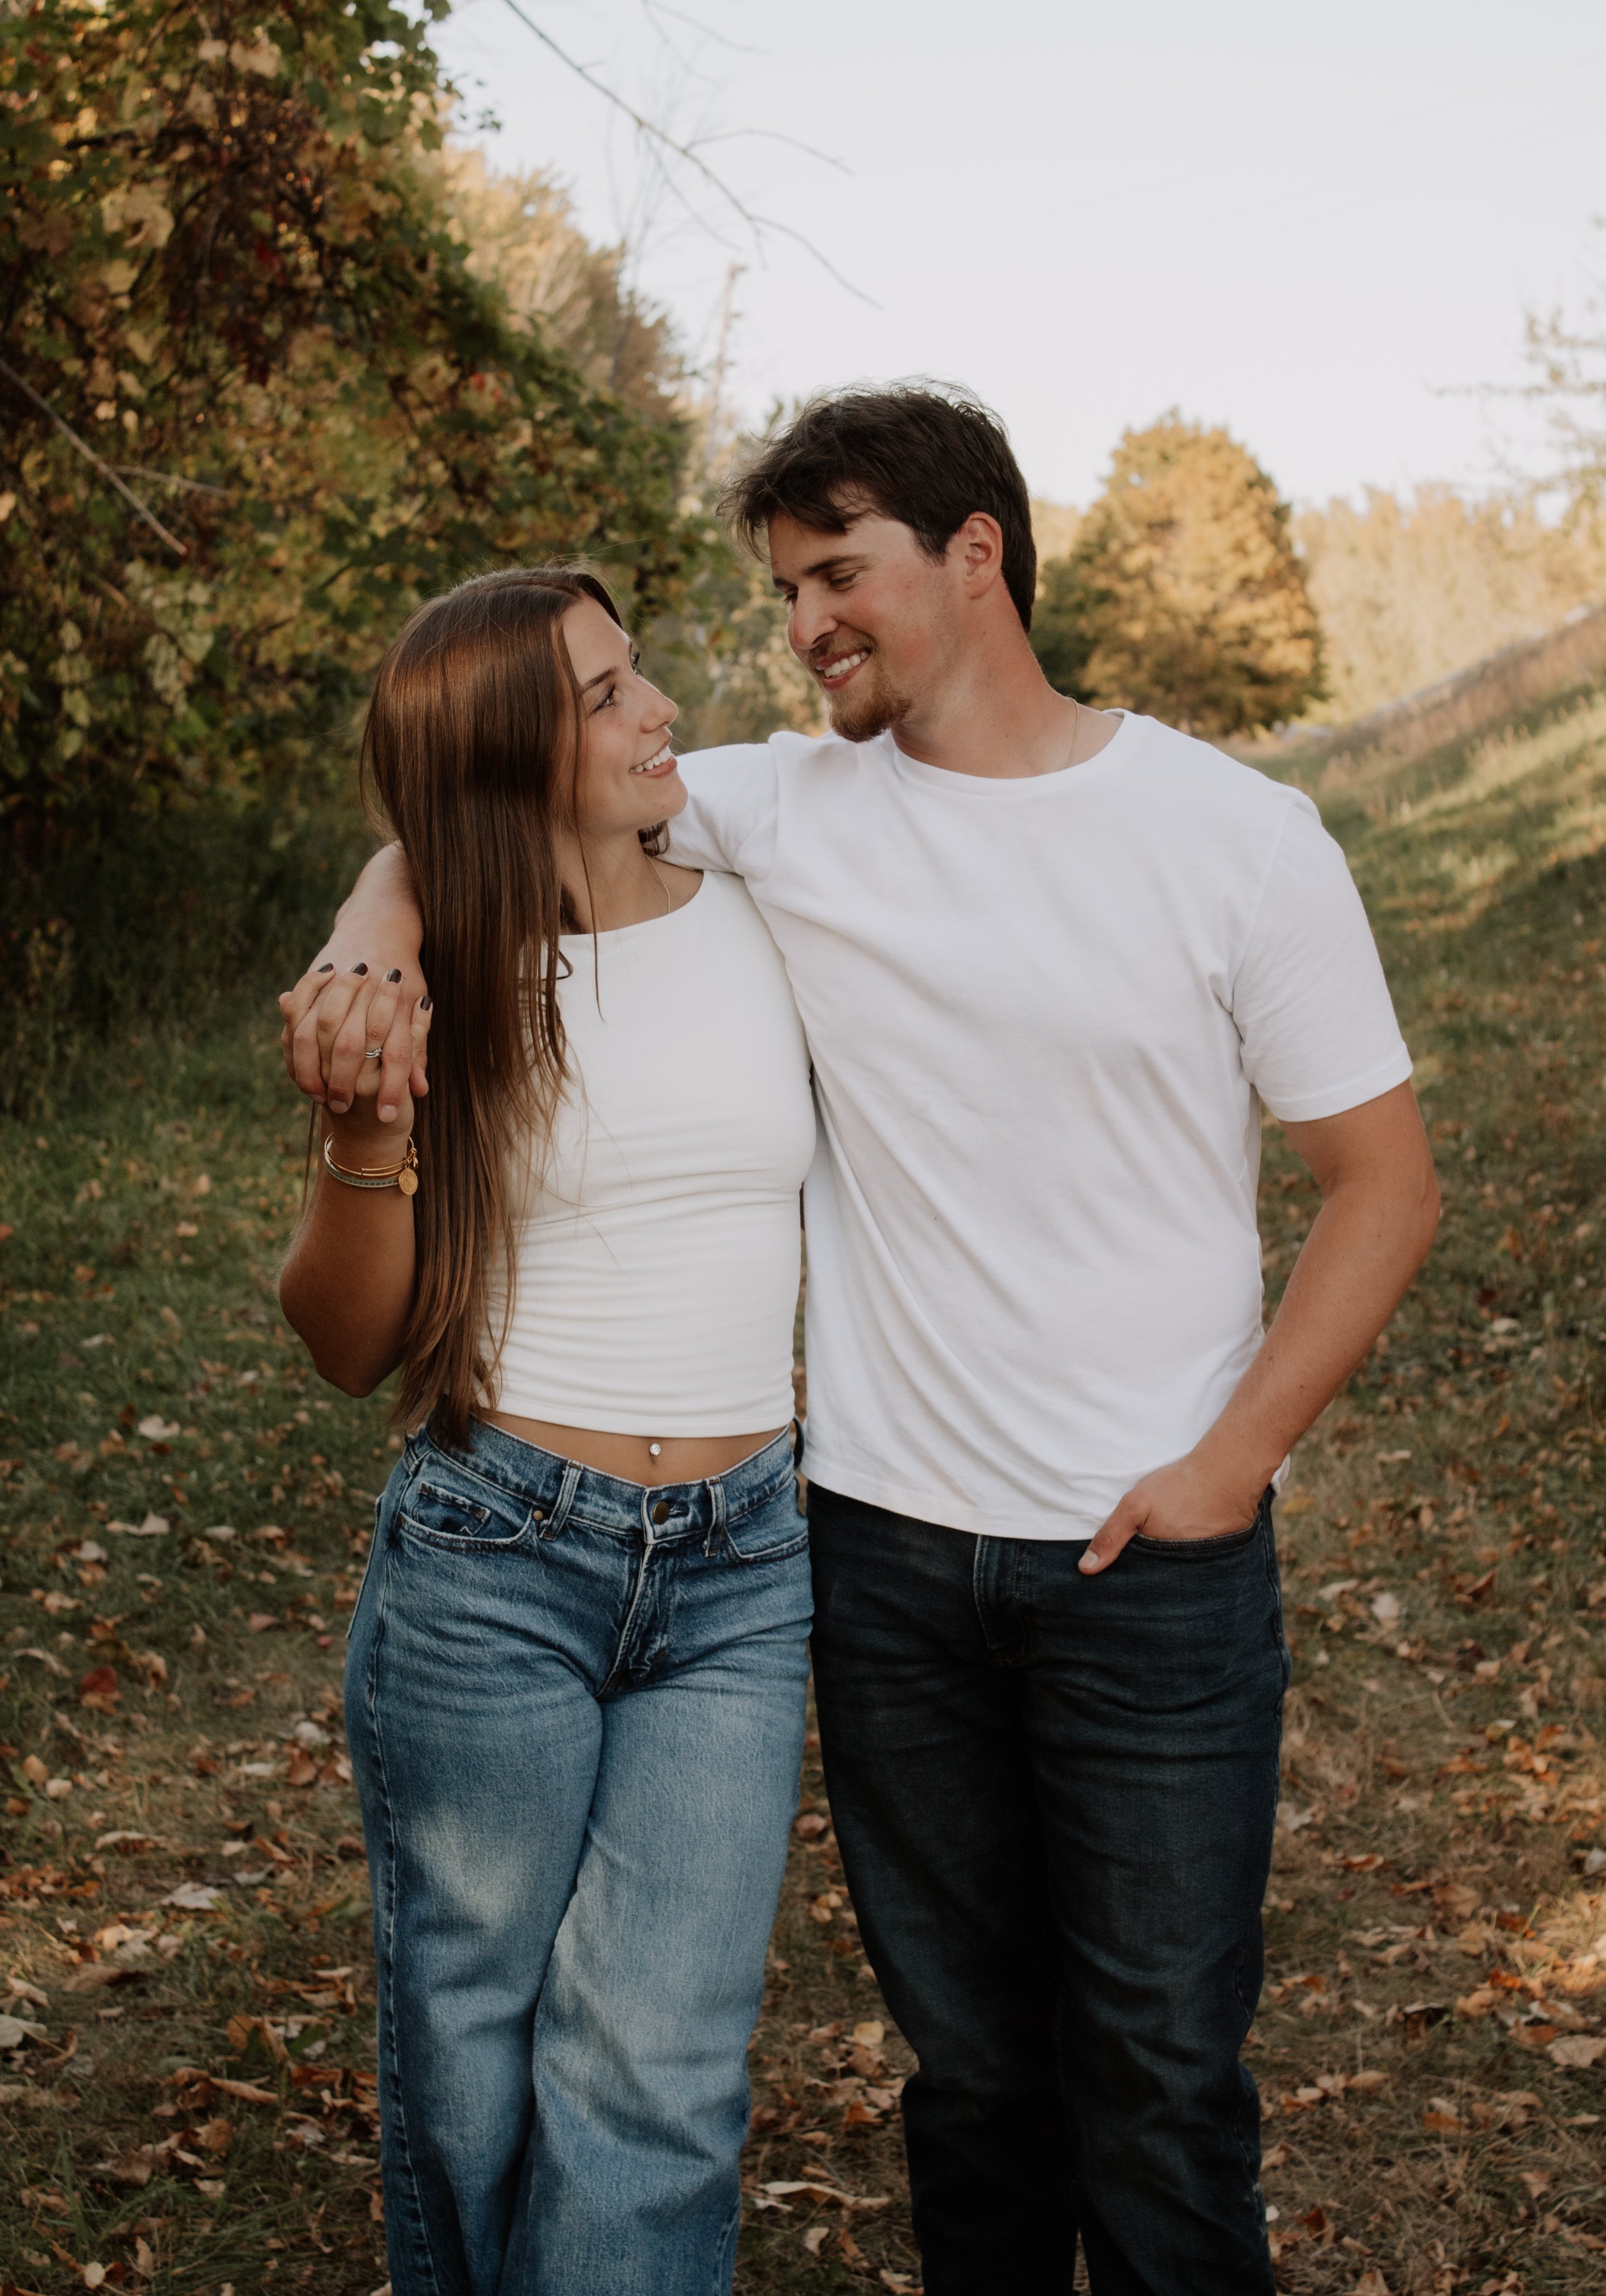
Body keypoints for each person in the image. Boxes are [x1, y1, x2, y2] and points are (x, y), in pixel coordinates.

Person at [284, 387, 1440, 2295]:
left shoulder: (1235, 837)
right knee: (970, 2080)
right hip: (872, 1549)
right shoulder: (771, 807)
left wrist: (1230, 1463)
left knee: (1151, 2075)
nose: (800, 624)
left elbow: (1379, 1183)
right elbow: (475, 789)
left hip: (1136, 1558)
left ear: (974, 555)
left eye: (839, 574)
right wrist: (373, 934)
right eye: (782, 587)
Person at [276, 565, 816, 2296]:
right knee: (468, 2056)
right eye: (601, 693)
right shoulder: (437, 968)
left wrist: (384, 887)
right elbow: (348, 1341)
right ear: (508, 755)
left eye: (633, 672)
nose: (657, 709)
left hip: (741, 1565)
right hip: (496, 1556)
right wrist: (368, 1125)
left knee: (657, 2069)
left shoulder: (757, 873)